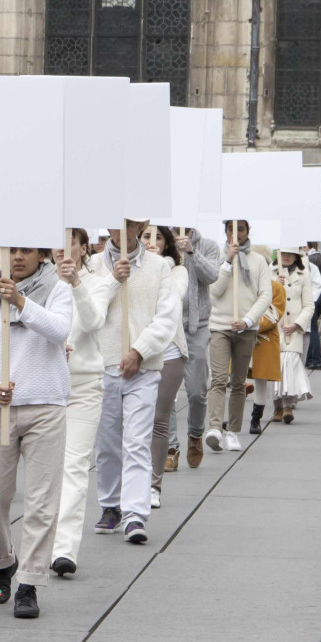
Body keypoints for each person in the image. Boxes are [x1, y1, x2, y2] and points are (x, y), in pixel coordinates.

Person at [0, 246, 73, 620]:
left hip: (46, 404)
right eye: (8, 251)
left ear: (41, 255)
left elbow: (59, 329)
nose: (16, 258)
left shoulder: (57, 288)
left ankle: (29, 582)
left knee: (43, 500)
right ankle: (3, 561)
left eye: (26, 250)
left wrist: (23, 302)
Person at [88, 221, 179, 546]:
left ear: (140, 225)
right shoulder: (94, 264)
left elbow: (167, 317)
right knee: (108, 443)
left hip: (144, 368)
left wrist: (140, 351)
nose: (120, 231)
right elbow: (88, 310)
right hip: (103, 366)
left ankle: (135, 513)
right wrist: (113, 280)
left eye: (128, 224)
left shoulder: (159, 267)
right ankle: (110, 504)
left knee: (137, 442)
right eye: (114, 224)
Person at [50, 229, 112, 578]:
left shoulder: (97, 282)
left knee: (74, 466)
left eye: (69, 241)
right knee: (46, 472)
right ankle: (38, 542)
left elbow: (93, 322)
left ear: (83, 247)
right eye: (56, 241)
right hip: (42, 386)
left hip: (84, 385)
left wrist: (75, 283)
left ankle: (64, 549)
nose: (62, 249)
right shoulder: (39, 280)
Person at [205, 220, 271, 453]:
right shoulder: (218, 258)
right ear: (225, 232)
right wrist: (226, 262)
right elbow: (214, 291)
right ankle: (214, 427)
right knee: (219, 378)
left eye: (240, 229)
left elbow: (265, 295)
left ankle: (232, 430)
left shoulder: (259, 261)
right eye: (231, 229)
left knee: (239, 381)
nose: (236, 234)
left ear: (248, 231)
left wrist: (248, 320)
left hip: (246, 329)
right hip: (220, 326)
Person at [140, 225, 189, 506]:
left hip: (168, 353)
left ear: (167, 243)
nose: (152, 242)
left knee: (159, 418)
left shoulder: (177, 271)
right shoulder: (129, 267)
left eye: (158, 237)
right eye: (146, 236)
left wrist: (156, 265)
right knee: (134, 423)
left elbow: (175, 298)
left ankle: (154, 485)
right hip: (136, 354)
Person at [173, 226, 222, 468]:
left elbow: (212, 275)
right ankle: (171, 446)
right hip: (166, 326)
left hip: (197, 326)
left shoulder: (209, 245)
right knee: (164, 394)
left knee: (196, 390)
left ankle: (195, 434)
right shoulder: (158, 240)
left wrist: (192, 252)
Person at [246, 256, 285, 435]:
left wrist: (248, 324)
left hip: (264, 340)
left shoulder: (276, 288)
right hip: (242, 339)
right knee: (237, 381)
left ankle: (255, 420)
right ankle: (234, 419)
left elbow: (274, 314)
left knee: (261, 381)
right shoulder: (243, 285)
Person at [277, 248, 316, 422]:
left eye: (290, 253)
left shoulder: (304, 275)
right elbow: (261, 298)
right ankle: (277, 406)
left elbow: (309, 305)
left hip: (294, 329)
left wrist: (296, 325)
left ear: (296, 256)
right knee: (275, 367)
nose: (286, 256)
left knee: (290, 365)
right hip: (274, 329)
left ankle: (287, 406)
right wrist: (274, 285)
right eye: (283, 253)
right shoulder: (271, 273)